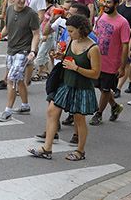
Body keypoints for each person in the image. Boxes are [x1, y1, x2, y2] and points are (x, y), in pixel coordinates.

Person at [28, 14, 100, 161]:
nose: (69, 34)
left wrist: (76, 68)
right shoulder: (71, 41)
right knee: (52, 111)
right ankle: (47, 148)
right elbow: (68, 60)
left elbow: (95, 73)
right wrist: (60, 56)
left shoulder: (93, 48)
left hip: (82, 88)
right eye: (68, 30)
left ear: (81, 29)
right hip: (66, 84)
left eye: (72, 31)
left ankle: (80, 151)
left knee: (79, 120)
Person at [0, 0, 40, 120]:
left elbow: (36, 34)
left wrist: (33, 51)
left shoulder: (31, 14)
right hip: (11, 50)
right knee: (19, 79)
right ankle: (25, 106)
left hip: (24, 51)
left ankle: (7, 111)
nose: (22, 0)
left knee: (11, 80)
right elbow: (7, 27)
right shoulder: (9, 10)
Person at [91, 0, 130, 125]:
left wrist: (122, 66)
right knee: (101, 87)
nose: (105, 5)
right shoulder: (102, 16)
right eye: (105, 2)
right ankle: (115, 106)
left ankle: (99, 114)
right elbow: (96, 35)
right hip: (98, 60)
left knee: (106, 89)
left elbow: (125, 45)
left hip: (112, 63)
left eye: (109, 2)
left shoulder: (123, 22)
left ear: (116, 4)